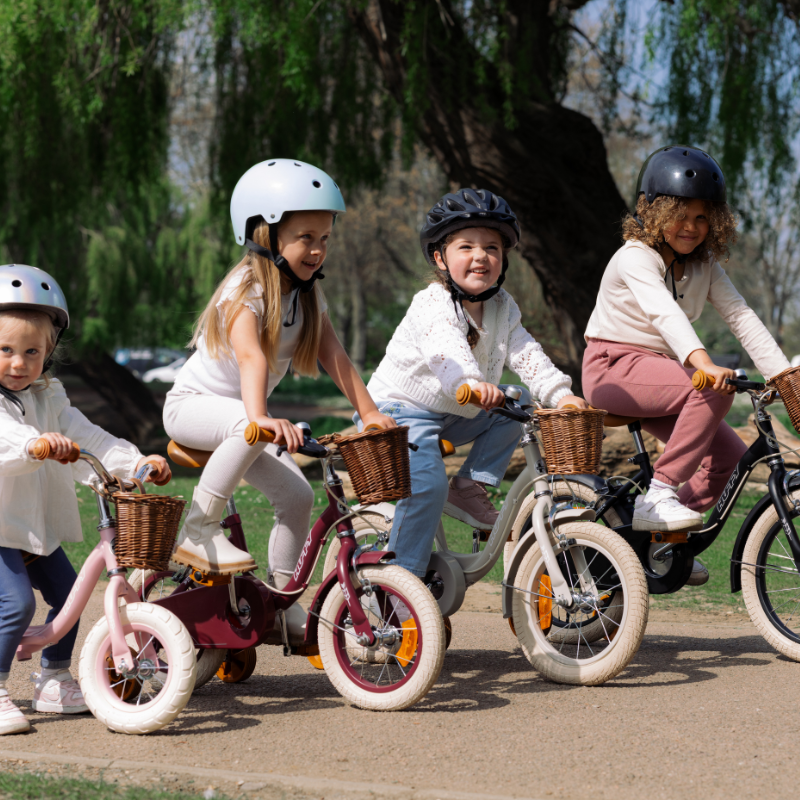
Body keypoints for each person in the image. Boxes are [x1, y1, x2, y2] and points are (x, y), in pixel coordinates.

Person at [163, 159, 394, 643]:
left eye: (325, 238)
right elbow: (250, 356)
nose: (318, 249)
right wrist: (260, 417)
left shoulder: (305, 296)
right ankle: (199, 529)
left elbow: (335, 355)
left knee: (298, 495)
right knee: (242, 429)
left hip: (243, 421)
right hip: (193, 407)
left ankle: (280, 601)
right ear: (265, 235)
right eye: (306, 237)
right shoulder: (243, 290)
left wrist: (369, 413)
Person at [583, 145, 790, 585]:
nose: (692, 228)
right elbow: (665, 314)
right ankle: (658, 494)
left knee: (730, 459)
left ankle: (664, 544)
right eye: (681, 215)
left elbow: (741, 316)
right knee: (717, 386)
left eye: (702, 218)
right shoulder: (635, 256)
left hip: (662, 374)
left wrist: (783, 376)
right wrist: (701, 363)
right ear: (655, 213)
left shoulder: (704, 264)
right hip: (611, 367)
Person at [361, 188, 587, 579]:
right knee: (427, 486)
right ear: (440, 258)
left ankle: (469, 485)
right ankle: (401, 583)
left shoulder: (503, 307)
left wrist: (562, 395)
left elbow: (527, 353)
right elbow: (443, 347)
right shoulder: (432, 303)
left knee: (521, 410)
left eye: (492, 248)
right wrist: (469, 381)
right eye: (466, 246)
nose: (481, 256)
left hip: (457, 410)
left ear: (504, 260)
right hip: (398, 409)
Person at [0, 264, 170, 735]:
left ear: (49, 352)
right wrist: (31, 445)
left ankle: (53, 678)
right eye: (5, 350)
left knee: (69, 596)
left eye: (31, 352)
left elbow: (86, 435)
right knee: (14, 604)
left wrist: (135, 463)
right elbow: (4, 436)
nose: (18, 363)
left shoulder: (48, 396)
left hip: (32, 525)